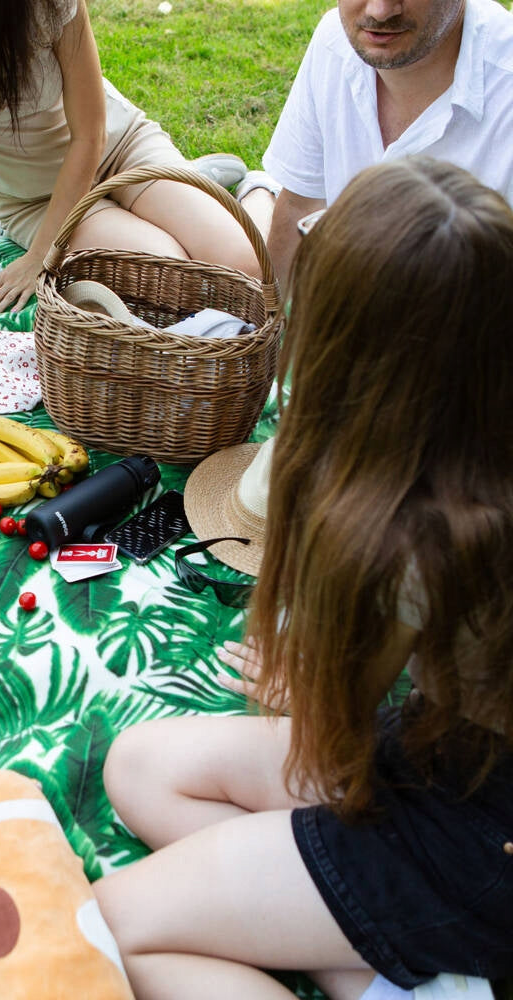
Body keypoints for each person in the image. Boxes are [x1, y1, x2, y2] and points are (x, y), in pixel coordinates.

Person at [92, 157, 513, 1000]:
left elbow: (336, 752)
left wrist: (302, 684)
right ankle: (396, 974)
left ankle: (395, 938)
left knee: (106, 934)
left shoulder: (405, 525)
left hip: (476, 829)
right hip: (457, 753)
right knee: (141, 767)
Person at [0, 0, 260, 321]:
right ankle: (189, 184)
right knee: (173, 284)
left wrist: (41, 256)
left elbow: (91, 134)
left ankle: (259, 191)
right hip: (34, 199)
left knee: (247, 268)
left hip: (119, 150)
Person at [237, 0, 513, 290]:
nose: (379, 12)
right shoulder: (335, 42)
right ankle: (258, 190)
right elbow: (300, 206)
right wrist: (283, 327)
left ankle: (256, 190)